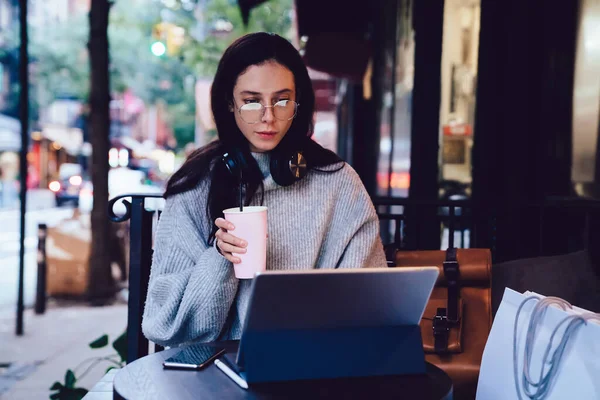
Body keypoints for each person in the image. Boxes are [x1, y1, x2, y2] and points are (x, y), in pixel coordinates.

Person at [142, 32, 387, 347]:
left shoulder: (338, 184)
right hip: (214, 375)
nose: (268, 117)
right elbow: (164, 326)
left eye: (282, 100)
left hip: (313, 366)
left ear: (298, 104)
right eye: (252, 101)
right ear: (229, 104)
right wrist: (219, 258)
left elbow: (367, 303)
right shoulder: (196, 185)